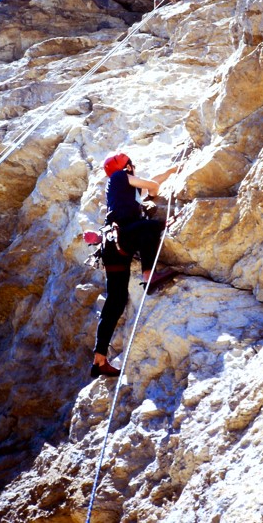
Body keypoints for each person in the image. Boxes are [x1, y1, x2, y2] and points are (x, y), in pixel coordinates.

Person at [89, 152, 179, 378]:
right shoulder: (120, 177)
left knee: (116, 301)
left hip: (112, 246)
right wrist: (155, 191)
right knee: (150, 227)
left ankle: (100, 358)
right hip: (123, 236)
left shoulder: (124, 191)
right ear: (127, 167)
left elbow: (151, 182)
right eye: (132, 165)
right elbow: (152, 186)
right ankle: (149, 275)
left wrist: (170, 172)